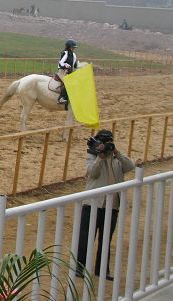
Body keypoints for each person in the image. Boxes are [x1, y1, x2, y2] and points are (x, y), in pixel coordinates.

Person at [76, 130, 135, 280]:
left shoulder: (116, 158)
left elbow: (130, 166)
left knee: (105, 240)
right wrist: (100, 158)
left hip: (112, 205)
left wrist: (116, 151)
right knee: (85, 238)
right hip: (92, 203)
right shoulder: (92, 156)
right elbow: (92, 173)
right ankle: (79, 268)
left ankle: (102, 270)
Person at [57, 39, 78, 105]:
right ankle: (60, 98)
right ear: (68, 47)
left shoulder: (74, 55)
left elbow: (74, 65)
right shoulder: (65, 53)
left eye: (74, 47)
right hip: (62, 71)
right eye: (73, 47)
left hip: (70, 72)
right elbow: (61, 63)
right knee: (68, 83)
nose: (74, 48)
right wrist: (66, 65)